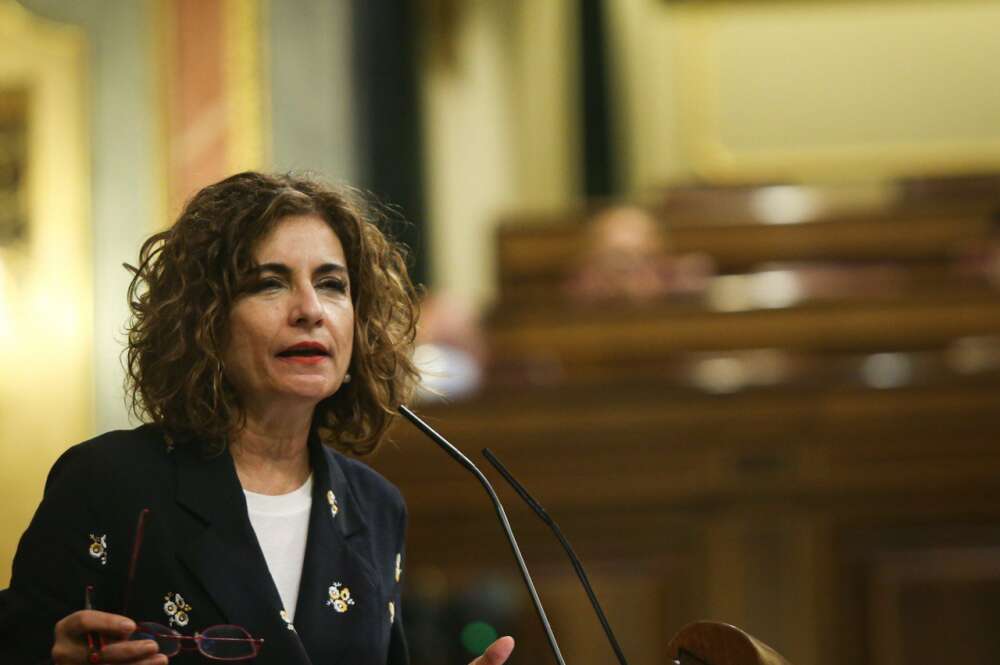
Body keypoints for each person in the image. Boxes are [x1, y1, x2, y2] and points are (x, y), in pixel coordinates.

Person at [1, 172, 515, 665]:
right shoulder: (110, 481)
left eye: (332, 284)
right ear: (204, 320)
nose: (310, 309)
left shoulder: (375, 506)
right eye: (270, 283)